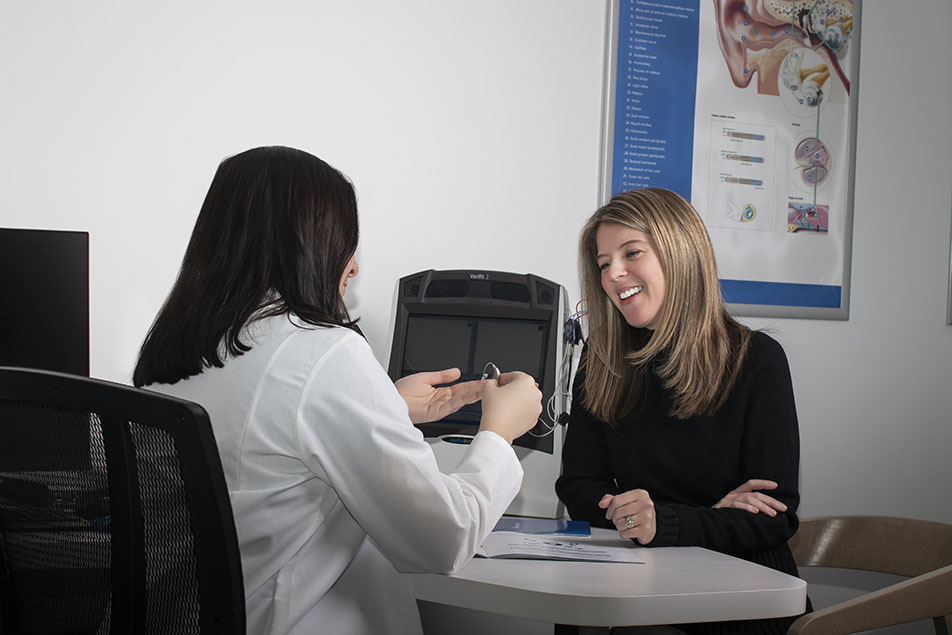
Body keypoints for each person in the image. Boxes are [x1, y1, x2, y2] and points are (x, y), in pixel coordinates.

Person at [132, 146, 542, 635]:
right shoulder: (321, 351)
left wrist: (385, 404)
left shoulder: (176, 352)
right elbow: (442, 540)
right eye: (343, 242)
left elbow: (269, 439)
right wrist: (499, 434)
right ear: (305, 245)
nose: (352, 267)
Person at [555, 188, 806, 635]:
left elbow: (773, 516)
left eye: (632, 253)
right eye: (603, 264)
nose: (614, 274)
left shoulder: (757, 360)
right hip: (642, 576)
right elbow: (578, 487)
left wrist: (666, 521)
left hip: (742, 591)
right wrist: (702, 514)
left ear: (681, 254)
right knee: (575, 619)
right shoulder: (602, 360)